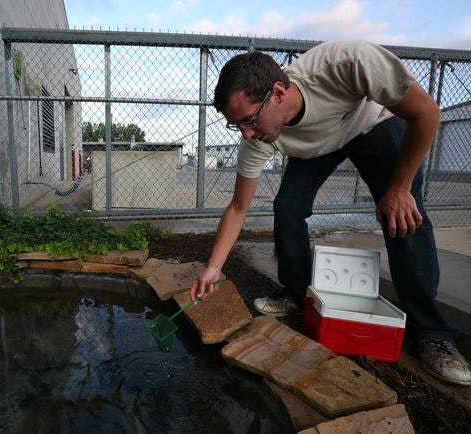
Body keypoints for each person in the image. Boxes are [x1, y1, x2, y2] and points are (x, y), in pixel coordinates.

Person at [189, 40, 471, 386]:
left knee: (402, 213)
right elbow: (238, 207)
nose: (247, 134)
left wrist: (398, 189)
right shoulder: (258, 136)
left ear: (278, 93)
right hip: (319, 145)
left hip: (371, 124)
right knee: (287, 206)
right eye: (237, 126)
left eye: (248, 120)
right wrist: (213, 268)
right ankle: (297, 294)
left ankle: (432, 331)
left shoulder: (346, 62)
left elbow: (426, 113)